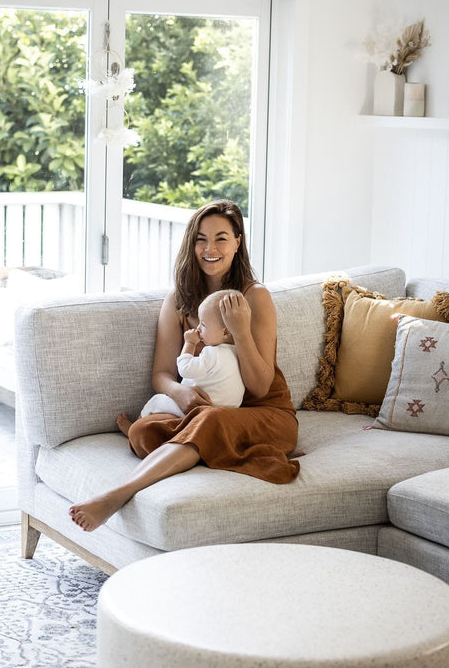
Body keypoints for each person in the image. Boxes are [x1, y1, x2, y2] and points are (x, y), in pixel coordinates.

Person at [69, 199, 300, 533]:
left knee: (211, 418)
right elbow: (161, 374)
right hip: (198, 410)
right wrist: (180, 394)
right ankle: (207, 445)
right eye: (201, 239)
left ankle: (116, 494)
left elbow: (261, 387)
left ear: (238, 242)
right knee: (144, 432)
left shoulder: (255, 297)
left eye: (221, 238)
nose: (210, 248)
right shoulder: (178, 300)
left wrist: (239, 330)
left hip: (265, 413)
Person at [139, 288, 245, 418]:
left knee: (157, 401)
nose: (198, 328)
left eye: (204, 325)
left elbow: (185, 369)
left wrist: (190, 343)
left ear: (226, 332)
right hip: (227, 412)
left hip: (197, 408)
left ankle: (134, 425)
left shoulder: (211, 353)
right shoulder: (237, 353)